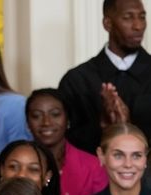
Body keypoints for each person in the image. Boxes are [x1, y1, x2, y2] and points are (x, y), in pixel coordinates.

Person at [58, 0, 150, 155]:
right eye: (128, 18)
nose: (138, 26)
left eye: (142, 17)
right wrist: (102, 125)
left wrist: (128, 126)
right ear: (107, 23)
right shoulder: (77, 80)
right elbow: (65, 143)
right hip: (91, 175)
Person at [25, 88, 107, 195]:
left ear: (68, 120)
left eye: (55, 114)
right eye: (36, 116)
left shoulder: (94, 166)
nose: (46, 122)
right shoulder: (17, 164)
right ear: (27, 123)